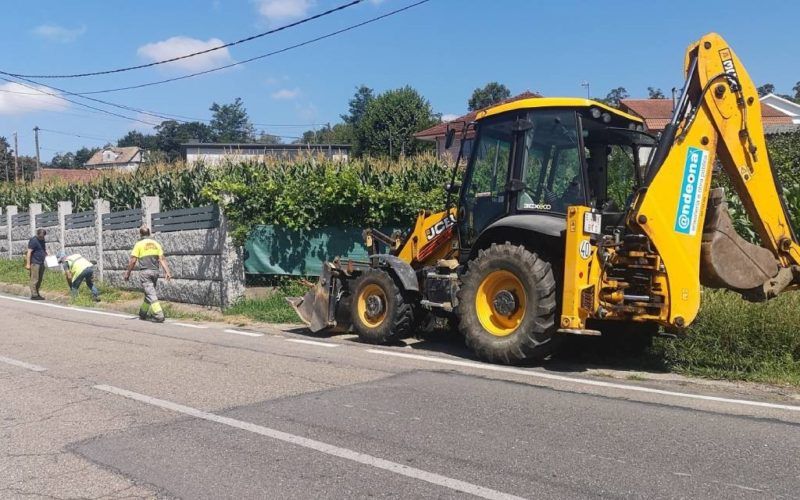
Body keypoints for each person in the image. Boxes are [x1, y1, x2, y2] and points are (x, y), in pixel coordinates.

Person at [124, 225, 172, 323]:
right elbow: (162, 259)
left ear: (140, 234)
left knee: (151, 294)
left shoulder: (139, 244)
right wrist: (167, 272)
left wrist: (128, 273)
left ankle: (159, 315)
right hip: (155, 272)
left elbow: (133, 261)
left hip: (145, 272)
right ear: (149, 234)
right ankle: (143, 313)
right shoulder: (156, 244)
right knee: (149, 293)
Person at [26, 229, 48, 300]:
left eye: (43, 236)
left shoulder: (43, 240)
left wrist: (48, 255)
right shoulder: (33, 240)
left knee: (40, 279)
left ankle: (37, 293)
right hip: (35, 263)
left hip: (41, 262)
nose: (42, 238)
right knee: (34, 279)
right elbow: (29, 252)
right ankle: (34, 295)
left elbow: (43, 250)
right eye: (40, 236)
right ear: (37, 234)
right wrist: (28, 264)